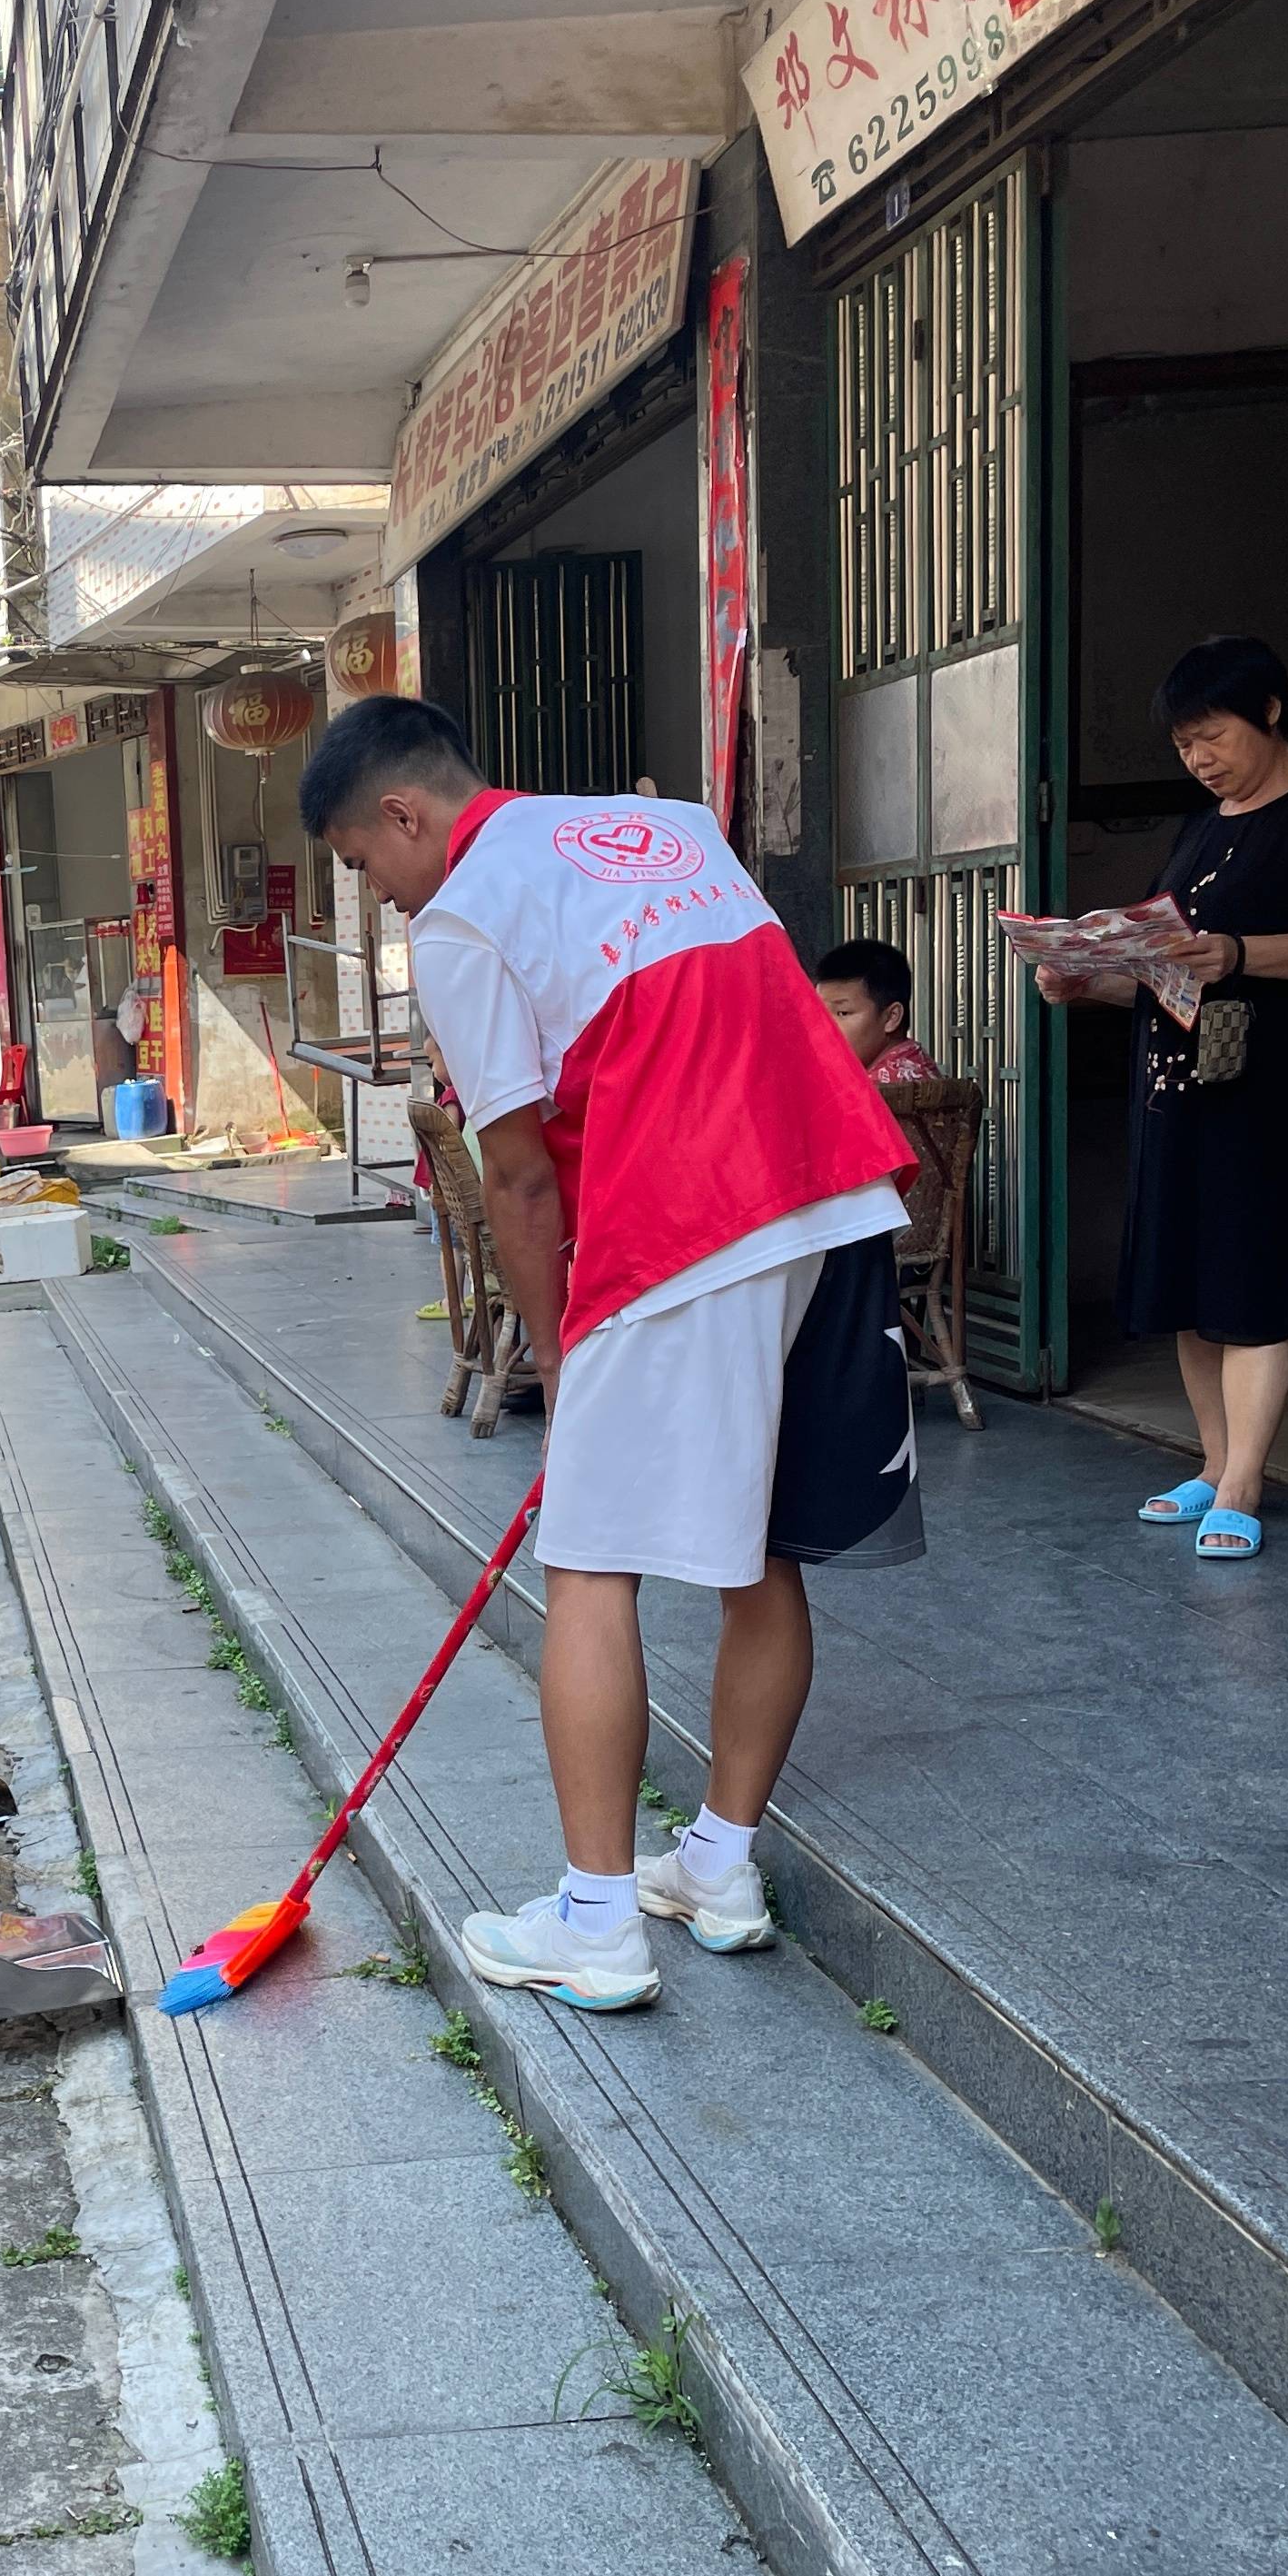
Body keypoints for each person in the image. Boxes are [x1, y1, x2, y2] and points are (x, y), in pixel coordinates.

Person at [301, 697, 919, 2010]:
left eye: (365, 867)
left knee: (588, 1562)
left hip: (685, 1225)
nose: (383, 898)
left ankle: (593, 1921)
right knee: (761, 1544)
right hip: (832, 1191)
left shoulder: (465, 916)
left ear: (405, 817)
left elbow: (518, 1179)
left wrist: (561, 1358)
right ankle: (718, 1862)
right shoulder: (665, 825)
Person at [1035, 634, 1288, 1561]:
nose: (1200, 759)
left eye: (1212, 736)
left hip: (1267, 1088)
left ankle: (1247, 1481)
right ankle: (1213, 1464)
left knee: (1251, 1284)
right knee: (1182, 1284)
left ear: (1271, 712)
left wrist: (1240, 953)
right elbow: (1167, 970)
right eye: (1184, 746)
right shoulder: (1197, 829)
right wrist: (1088, 982)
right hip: (1173, 1088)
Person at [813, 939, 939, 1089]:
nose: (825, 1027)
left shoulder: (887, 1090)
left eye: (843, 1013)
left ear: (892, 1017)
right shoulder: (911, 1067)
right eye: (820, 1013)